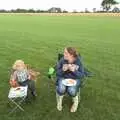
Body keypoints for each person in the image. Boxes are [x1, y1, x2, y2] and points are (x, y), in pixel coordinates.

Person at [56, 47, 84, 112]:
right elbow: (57, 73)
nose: (63, 54)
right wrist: (62, 70)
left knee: (71, 90)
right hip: (63, 78)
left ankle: (75, 102)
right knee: (61, 89)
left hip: (75, 79)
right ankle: (59, 101)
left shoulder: (78, 61)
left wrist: (74, 70)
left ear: (71, 55)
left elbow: (82, 75)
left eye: (65, 53)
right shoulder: (62, 60)